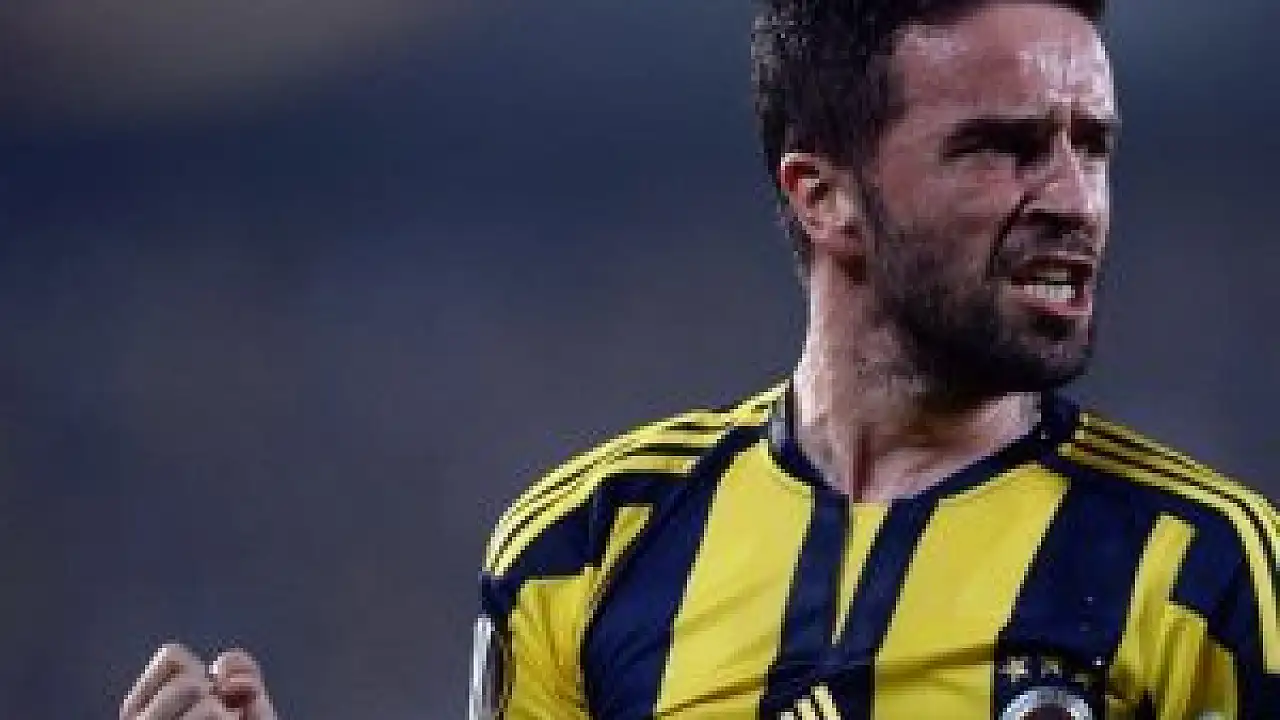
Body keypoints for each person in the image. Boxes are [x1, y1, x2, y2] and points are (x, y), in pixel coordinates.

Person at [121, 0, 1280, 718]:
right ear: (823, 197)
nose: (1072, 199)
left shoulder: (1207, 570)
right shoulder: (584, 549)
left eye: (1091, 146)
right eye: (1001, 148)